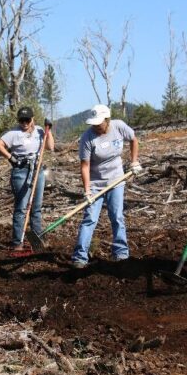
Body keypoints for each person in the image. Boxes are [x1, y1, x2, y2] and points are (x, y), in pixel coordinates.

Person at [71, 105, 142, 268]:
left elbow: (133, 139)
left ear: (107, 120)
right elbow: (85, 166)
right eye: (93, 123)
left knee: (117, 217)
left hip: (117, 180)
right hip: (96, 184)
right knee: (90, 219)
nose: (96, 126)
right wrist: (87, 191)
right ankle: (80, 257)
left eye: (99, 123)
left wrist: (134, 161)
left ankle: (121, 253)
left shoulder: (118, 126)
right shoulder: (87, 138)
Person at [0, 107, 55, 251]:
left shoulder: (40, 130)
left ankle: (38, 239)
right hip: (21, 171)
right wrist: (11, 158)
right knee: (22, 207)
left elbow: (50, 146)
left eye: (27, 120)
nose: (24, 123)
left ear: (32, 119)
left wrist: (49, 130)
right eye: (21, 120)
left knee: (36, 207)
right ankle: (17, 242)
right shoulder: (13, 133)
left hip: (37, 170)